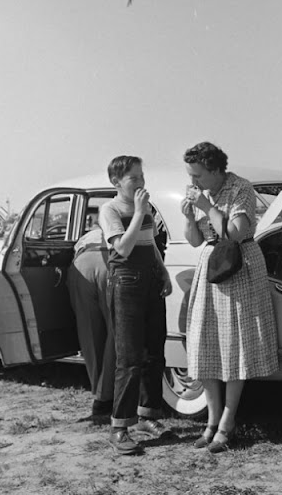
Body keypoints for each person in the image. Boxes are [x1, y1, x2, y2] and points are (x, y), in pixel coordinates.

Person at [181, 142, 278, 454]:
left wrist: (208, 208)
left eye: (198, 175)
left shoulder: (240, 188)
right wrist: (188, 216)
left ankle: (227, 421)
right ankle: (211, 421)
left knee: (235, 345)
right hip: (211, 267)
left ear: (215, 170)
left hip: (239, 265)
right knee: (204, 343)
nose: (194, 182)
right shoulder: (201, 192)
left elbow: (235, 232)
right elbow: (197, 240)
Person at [99, 155, 173, 455]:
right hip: (126, 280)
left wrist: (164, 272)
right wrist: (140, 210)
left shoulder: (146, 209)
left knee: (154, 352)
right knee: (128, 357)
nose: (141, 182)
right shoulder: (111, 209)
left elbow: (150, 244)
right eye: (133, 178)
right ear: (117, 182)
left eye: (142, 176)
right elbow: (123, 247)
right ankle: (119, 427)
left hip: (150, 279)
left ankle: (147, 415)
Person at [66, 212, 115, 423]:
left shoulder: (85, 237)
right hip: (109, 262)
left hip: (82, 262)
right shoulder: (115, 227)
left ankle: (99, 397)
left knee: (89, 334)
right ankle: (109, 394)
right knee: (115, 331)